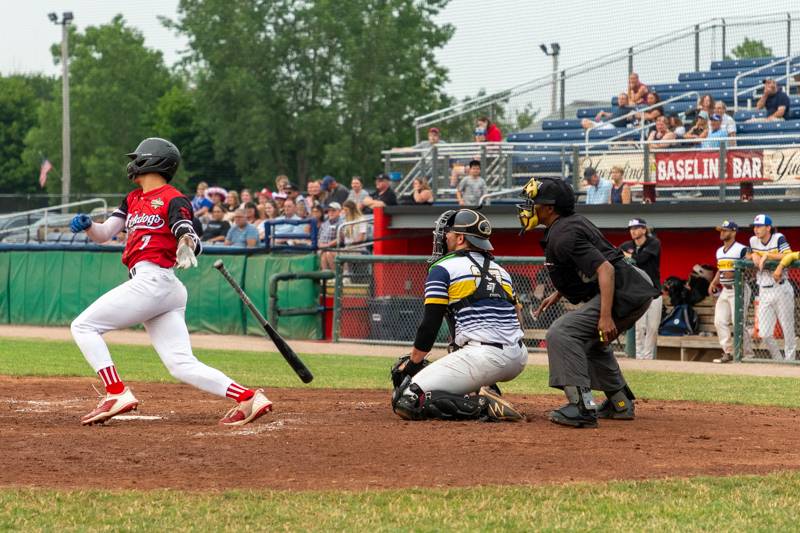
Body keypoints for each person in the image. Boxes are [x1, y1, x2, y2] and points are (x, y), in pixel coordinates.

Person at [68, 137, 271, 426]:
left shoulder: (173, 198)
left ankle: (116, 392)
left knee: (83, 326)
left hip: (155, 280)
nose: (133, 162)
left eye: (138, 157)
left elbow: (185, 229)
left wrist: (187, 242)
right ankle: (248, 397)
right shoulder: (132, 199)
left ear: (152, 161)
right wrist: (89, 226)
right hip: (163, 288)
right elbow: (104, 234)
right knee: (180, 364)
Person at [517, 177, 659, 427]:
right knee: (593, 342)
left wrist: (605, 317)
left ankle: (582, 406)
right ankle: (620, 402)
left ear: (550, 208)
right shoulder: (566, 225)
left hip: (625, 290)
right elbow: (590, 265)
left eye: (535, 203)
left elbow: (605, 269)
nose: (529, 207)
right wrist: (560, 292)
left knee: (561, 333)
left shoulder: (564, 233)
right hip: (632, 285)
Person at [390, 209, 526, 422]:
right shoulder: (502, 271)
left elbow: (430, 324)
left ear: (461, 238)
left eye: (449, 232)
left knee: (407, 399)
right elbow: (518, 317)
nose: (444, 236)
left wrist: (413, 363)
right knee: (459, 349)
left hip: (484, 356)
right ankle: (486, 388)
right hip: (518, 356)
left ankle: (483, 406)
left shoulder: (443, 267)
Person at [748, 214, 796, 360]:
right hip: (763, 290)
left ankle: (790, 361)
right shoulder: (753, 240)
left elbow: (789, 255)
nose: (756, 229)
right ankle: (778, 360)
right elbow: (749, 253)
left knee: (787, 328)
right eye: (755, 226)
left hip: (781, 288)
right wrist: (753, 256)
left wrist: (768, 255)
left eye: (759, 226)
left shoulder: (778, 237)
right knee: (764, 332)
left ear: (768, 227)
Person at [708, 221, 753, 363]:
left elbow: (751, 271)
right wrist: (714, 282)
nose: (722, 233)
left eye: (725, 230)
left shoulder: (742, 249)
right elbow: (721, 269)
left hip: (739, 289)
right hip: (725, 290)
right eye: (721, 230)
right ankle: (728, 352)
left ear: (734, 232)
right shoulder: (719, 251)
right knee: (719, 321)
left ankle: (747, 354)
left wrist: (735, 273)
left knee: (738, 322)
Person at [619, 218, 662, 360]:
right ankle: (639, 357)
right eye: (631, 229)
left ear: (644, 229)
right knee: (639, 327)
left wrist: (629, 256)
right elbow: (616, 254)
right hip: (637, 292)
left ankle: (647, 357)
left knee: (653, 328)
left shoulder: (653, 243)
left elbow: (641, 259)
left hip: (654, 291)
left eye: (637, 228)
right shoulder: (626, 245)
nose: (633, 231)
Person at [318, 202, 343, 271]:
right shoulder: (324, 224)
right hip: (324, 248)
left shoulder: (342, 223)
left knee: (327, 254)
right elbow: (319, 238)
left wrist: (327, 245)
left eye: (333, 210)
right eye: (329, 210)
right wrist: (321, 245)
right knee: (323, 254)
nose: (331, 212)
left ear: (339, 211)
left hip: (337, 248)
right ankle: (326, 278)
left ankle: (335, 276)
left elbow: (340, 239)